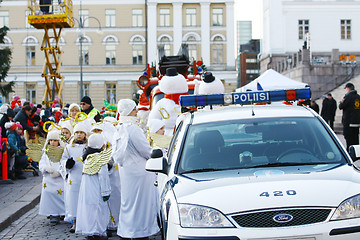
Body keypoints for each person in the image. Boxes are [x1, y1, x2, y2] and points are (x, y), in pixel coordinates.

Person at [112, 99, 159, 239]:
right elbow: (145, 150)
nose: (136, 112)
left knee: (128, 202)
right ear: (128, 111)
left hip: (127, 171)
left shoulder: (119, 127)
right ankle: (141, 231)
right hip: (139, 172)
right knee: (141, 204)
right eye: (134, 110)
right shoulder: (133, 128)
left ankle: (128, 230)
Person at [76, 134, 111, 240]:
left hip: (87, 190)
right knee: (98, 210)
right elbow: (103, 177)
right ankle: (98, 232)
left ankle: (89, 231)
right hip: (97, 189)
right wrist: (106, 192)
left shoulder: (87, 158)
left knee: (89, 210)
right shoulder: (100, 159)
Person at [59, 123, 88, 233]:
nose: (79, 135)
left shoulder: (87, 147)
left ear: (85, 134)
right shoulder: (69, 147)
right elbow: (62, 159)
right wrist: (67, 163)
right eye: (77, 133)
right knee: (73, 199)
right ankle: (75, 221)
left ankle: (85, 221)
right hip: (74, 177)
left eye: (81, 133)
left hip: (84, 176)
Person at [38, 130, 65, 224]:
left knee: (62, 194)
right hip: (49, 179)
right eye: (51, 140)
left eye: (55, 140)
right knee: (49, 194)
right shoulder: (45, 152)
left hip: (60, 178)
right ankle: (53, 214)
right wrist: (46, 168)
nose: (53, 142)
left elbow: (64, 163)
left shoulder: (63, 152)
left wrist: (60, 172)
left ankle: (63, 212)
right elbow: (41, 163)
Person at [339, 82, 360, 150]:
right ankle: (356, 151)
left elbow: (341, 106)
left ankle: (350, 151)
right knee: (355, 138)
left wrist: (340, 102)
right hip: (357, 121)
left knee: (348, 138)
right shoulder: (358, 97)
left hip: (348, 121)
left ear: (348, 89)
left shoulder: (348, 96)